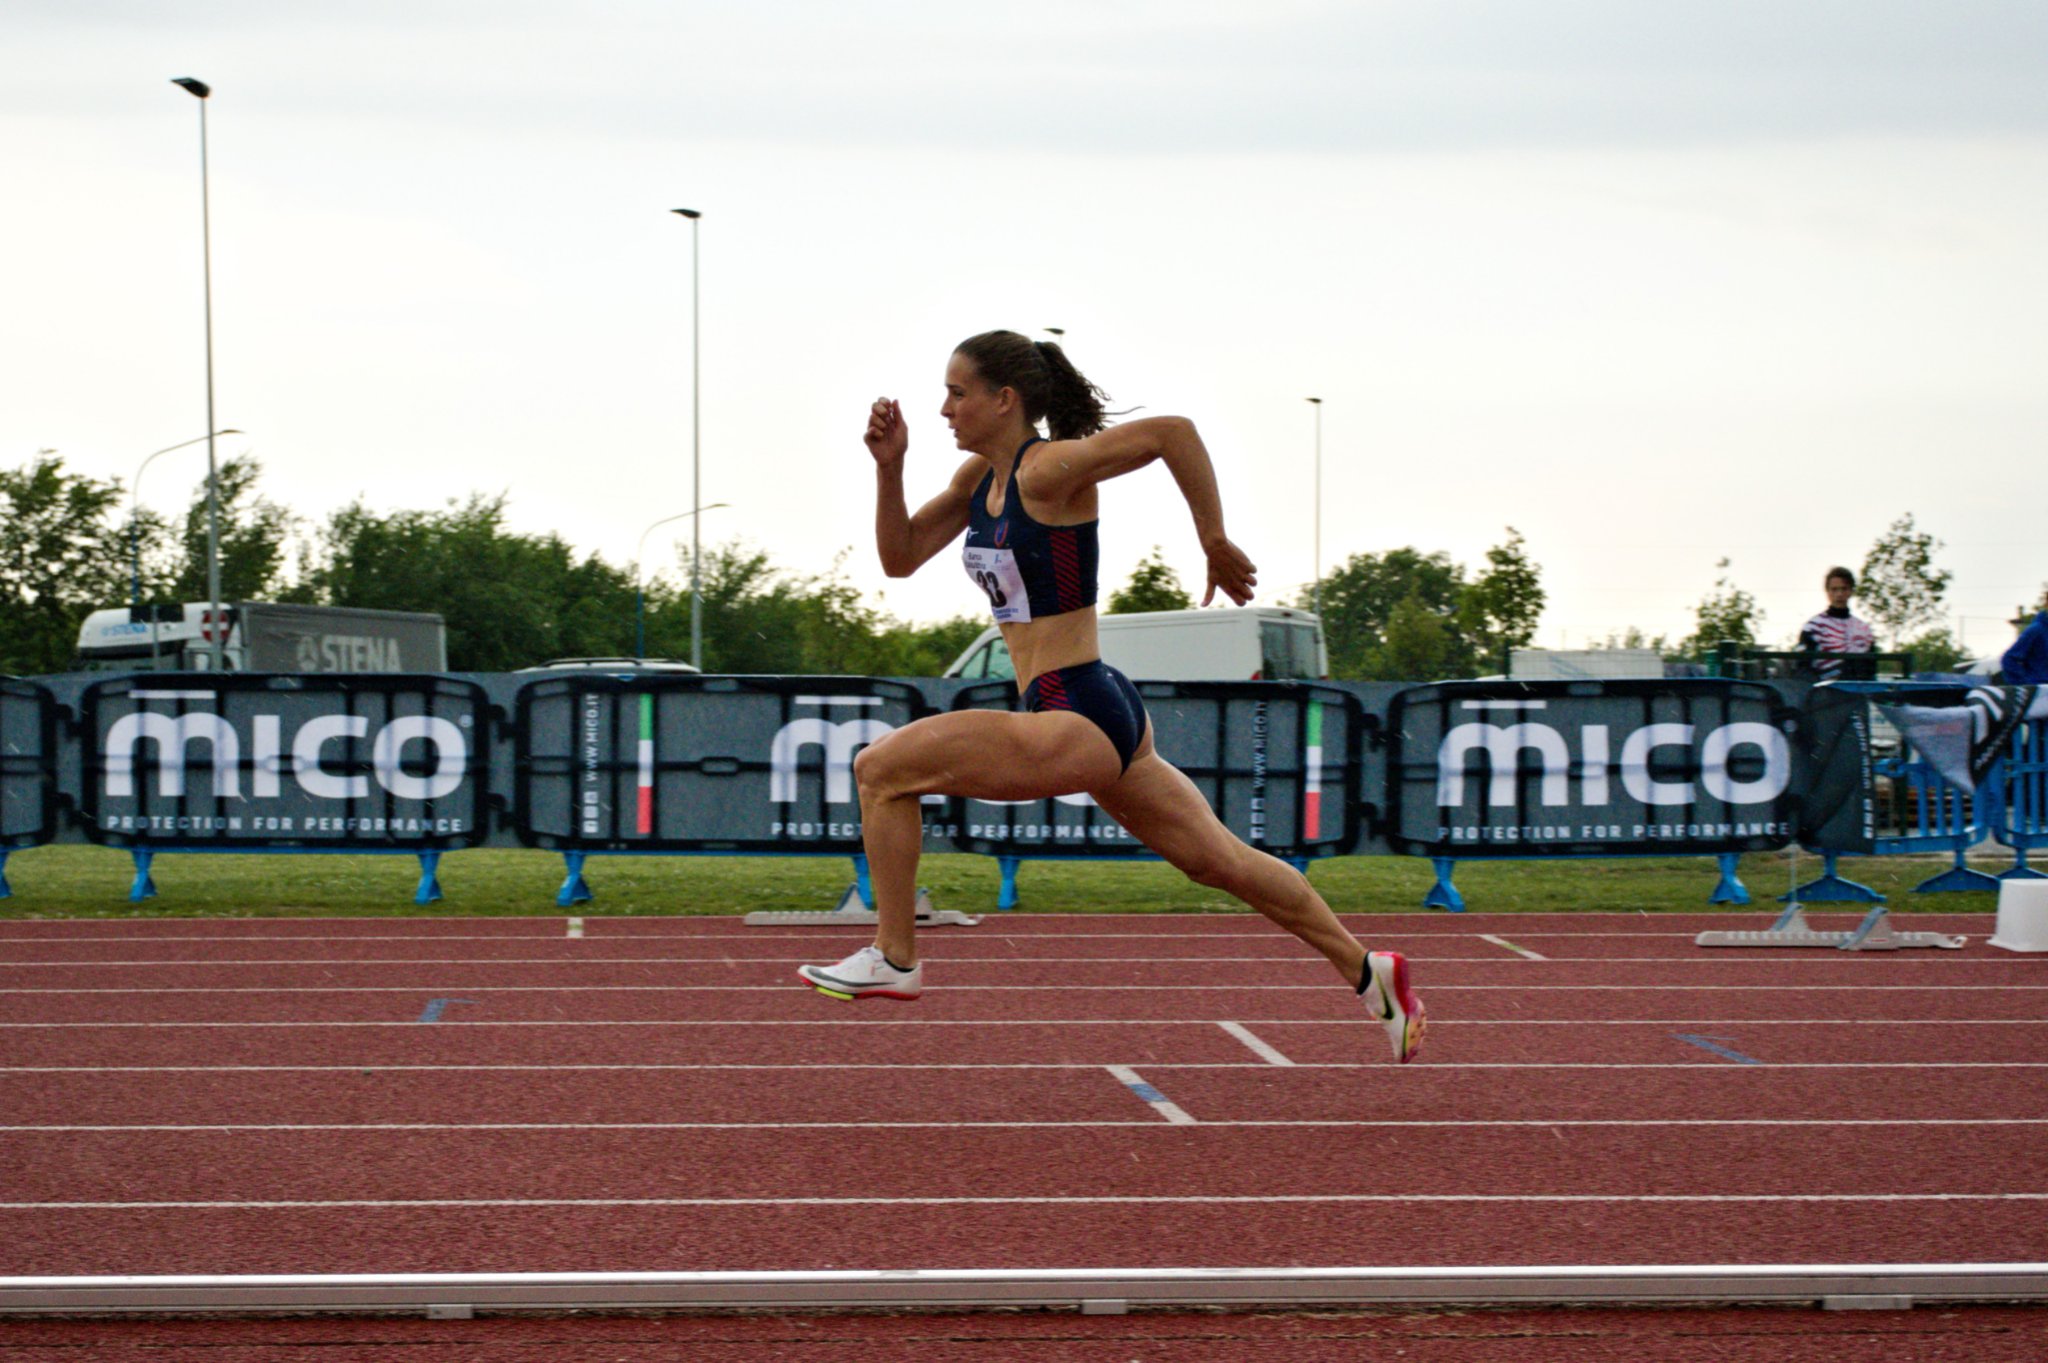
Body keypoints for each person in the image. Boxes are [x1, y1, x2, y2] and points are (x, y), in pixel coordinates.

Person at [796, 330, 1424, 1063]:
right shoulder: (978, 483)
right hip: (1096, 707)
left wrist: (1213, 540)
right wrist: (889, 468)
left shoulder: (1048, 469)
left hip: (1079, 710)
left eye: (958, 393)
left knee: (882, 769)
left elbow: (1173, 434)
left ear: (1005, 400)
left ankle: (895, 955)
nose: (943, 408)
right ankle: (1368, 970)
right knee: (1218, 860)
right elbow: (899, 558)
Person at [1797, 567, 1876, 679]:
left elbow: (1871, 669)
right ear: (1827, 592)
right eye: (1834, 589)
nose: (1839, 594)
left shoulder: (1864, 629)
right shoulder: (1813, 627)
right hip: (1825, 690)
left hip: (1858, 690)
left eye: (1844, 589)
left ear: (1851, 591)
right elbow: (1803, 667)